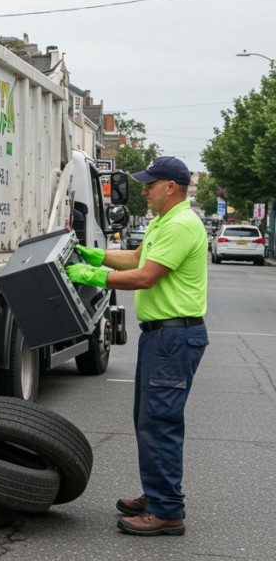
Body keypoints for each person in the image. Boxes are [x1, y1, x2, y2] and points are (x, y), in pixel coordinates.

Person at [66, 156, 207, 537]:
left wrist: (93, 275)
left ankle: (167, 511)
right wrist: (94, 254)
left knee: (160, 423)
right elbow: (135, 257)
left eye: (150, 184)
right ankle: (158, 494)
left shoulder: (181, 224)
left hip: (173, 337)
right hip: (161, 337)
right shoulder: (164, 221)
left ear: (171, 187)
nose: (144, 191)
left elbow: (145, 276)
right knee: (149, 421)